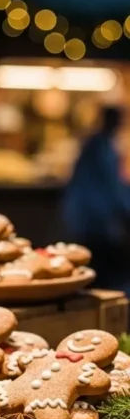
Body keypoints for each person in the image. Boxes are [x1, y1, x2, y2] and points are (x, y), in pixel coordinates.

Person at [63, 105, 130, 288]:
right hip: (98, 223)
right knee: (105, 277)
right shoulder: (103, 147)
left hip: (84, 220)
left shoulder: (93, 143)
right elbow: (113, 188)